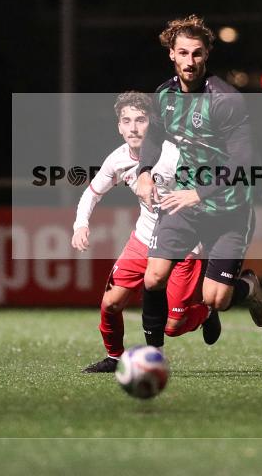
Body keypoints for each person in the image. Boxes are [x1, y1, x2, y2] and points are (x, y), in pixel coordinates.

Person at [134, 15, 262, 352]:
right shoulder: (164, 96)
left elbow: (243, 161)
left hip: (229, 208)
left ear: (207, 54)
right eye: (183, 53)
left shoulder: (224, 100)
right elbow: (153, 138)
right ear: (172, 55)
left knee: (217, 299)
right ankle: (152, 356)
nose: (189, 61)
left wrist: (200, 191)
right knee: (153, 278)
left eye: (196, 53)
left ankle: (247, 286)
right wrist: (145, 171)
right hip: (183, 202)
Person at [73, 91, 218, 373]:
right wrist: (80, 224)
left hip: (183, 243)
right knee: (111, 303)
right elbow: (91, 194)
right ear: (119, 126)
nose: (133, 127)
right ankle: (115, 358)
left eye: (140, 120)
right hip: (143, 239)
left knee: (173, 326)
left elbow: (206, 188)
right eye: (126, 121)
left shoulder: (173, 155)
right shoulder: (117, 160)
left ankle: (206, 312)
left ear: (152, 122)